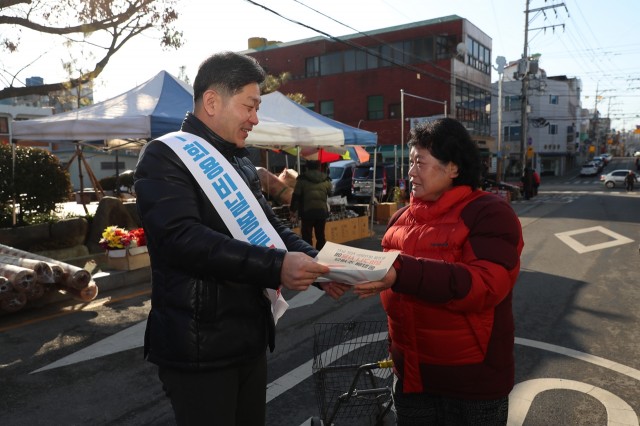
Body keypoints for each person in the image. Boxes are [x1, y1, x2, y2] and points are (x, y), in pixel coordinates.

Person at [134, 51, 349, 426]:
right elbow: (183, 240)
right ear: (212, 101)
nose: (255, 118)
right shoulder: (165, 157)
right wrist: (278, 266)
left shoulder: (241, 163)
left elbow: (271, 229)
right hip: (199, 345)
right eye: (250, 106)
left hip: (248, 338)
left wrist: (320, 265)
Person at [354, 118, 524, 426]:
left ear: (454, 168)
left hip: (472, 385)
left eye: (420, 162)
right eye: (410, 162)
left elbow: (485, 285)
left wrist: (401, 272)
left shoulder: (489, 213)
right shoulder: (400, 219)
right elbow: (388, 275)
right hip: (410, 377)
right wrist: (347, 274)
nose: (411, 172)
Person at [289, 160, 333, 250]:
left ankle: (309, 255)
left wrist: (292, 210)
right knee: (320, 236)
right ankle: (320, 256)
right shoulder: (326, 179)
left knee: (307, 237)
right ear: (318, 167)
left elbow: (296, 196)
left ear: (307, 167)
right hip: (321, 212)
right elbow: (331, 193)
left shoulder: (302, 180)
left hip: (307, 212)